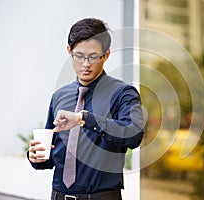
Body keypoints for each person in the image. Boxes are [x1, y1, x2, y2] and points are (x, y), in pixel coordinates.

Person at [27, 18, 145, 200]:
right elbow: (52, 155)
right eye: (79, 56)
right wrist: (36, 157)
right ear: (69, 51)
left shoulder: (123, 94)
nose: (86, 64)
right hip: (58, 196)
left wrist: (84, 119)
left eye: (93, 57)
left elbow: (133, 134)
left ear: (106, 55)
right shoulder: (59, 96)